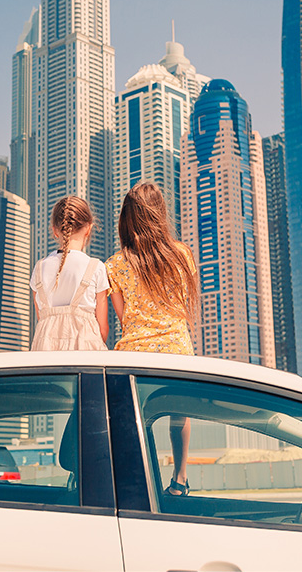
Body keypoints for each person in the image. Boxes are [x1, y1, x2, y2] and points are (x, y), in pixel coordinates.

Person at [105, 183, 199, 496]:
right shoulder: (182, 254)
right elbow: (183, 308)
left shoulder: (115, 264)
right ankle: (181, 477)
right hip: (176, 351)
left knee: (137, 419)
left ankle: (139, 483)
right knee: (178, 412)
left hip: (135, 355)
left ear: (127, 219)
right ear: (159, 214)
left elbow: (123, 319)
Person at [30, 196, 110, 351]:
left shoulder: (39, 268)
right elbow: (103, 329)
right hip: (85, 353)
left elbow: (41, 319)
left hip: (45, 353)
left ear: (54, 230)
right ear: (89, 228)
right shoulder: (96, 267)